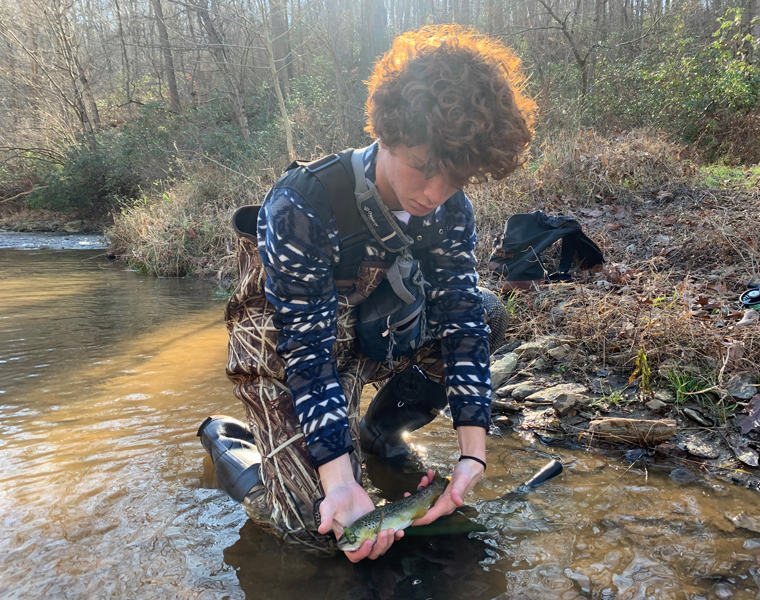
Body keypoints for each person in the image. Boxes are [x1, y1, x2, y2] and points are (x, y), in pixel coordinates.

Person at [200, 24, 536, 561]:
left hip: (379, 330)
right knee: (316, 531)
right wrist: (338, 480)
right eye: (423, 168)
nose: (434, 193)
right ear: (386, 131)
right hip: (290, 352)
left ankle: (380, 434)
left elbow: (462, 321)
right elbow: (306, 353)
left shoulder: (450, 210)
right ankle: (230, 442)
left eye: (455, 179)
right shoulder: (301, 204)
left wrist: (474, 452)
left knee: (488, 314)